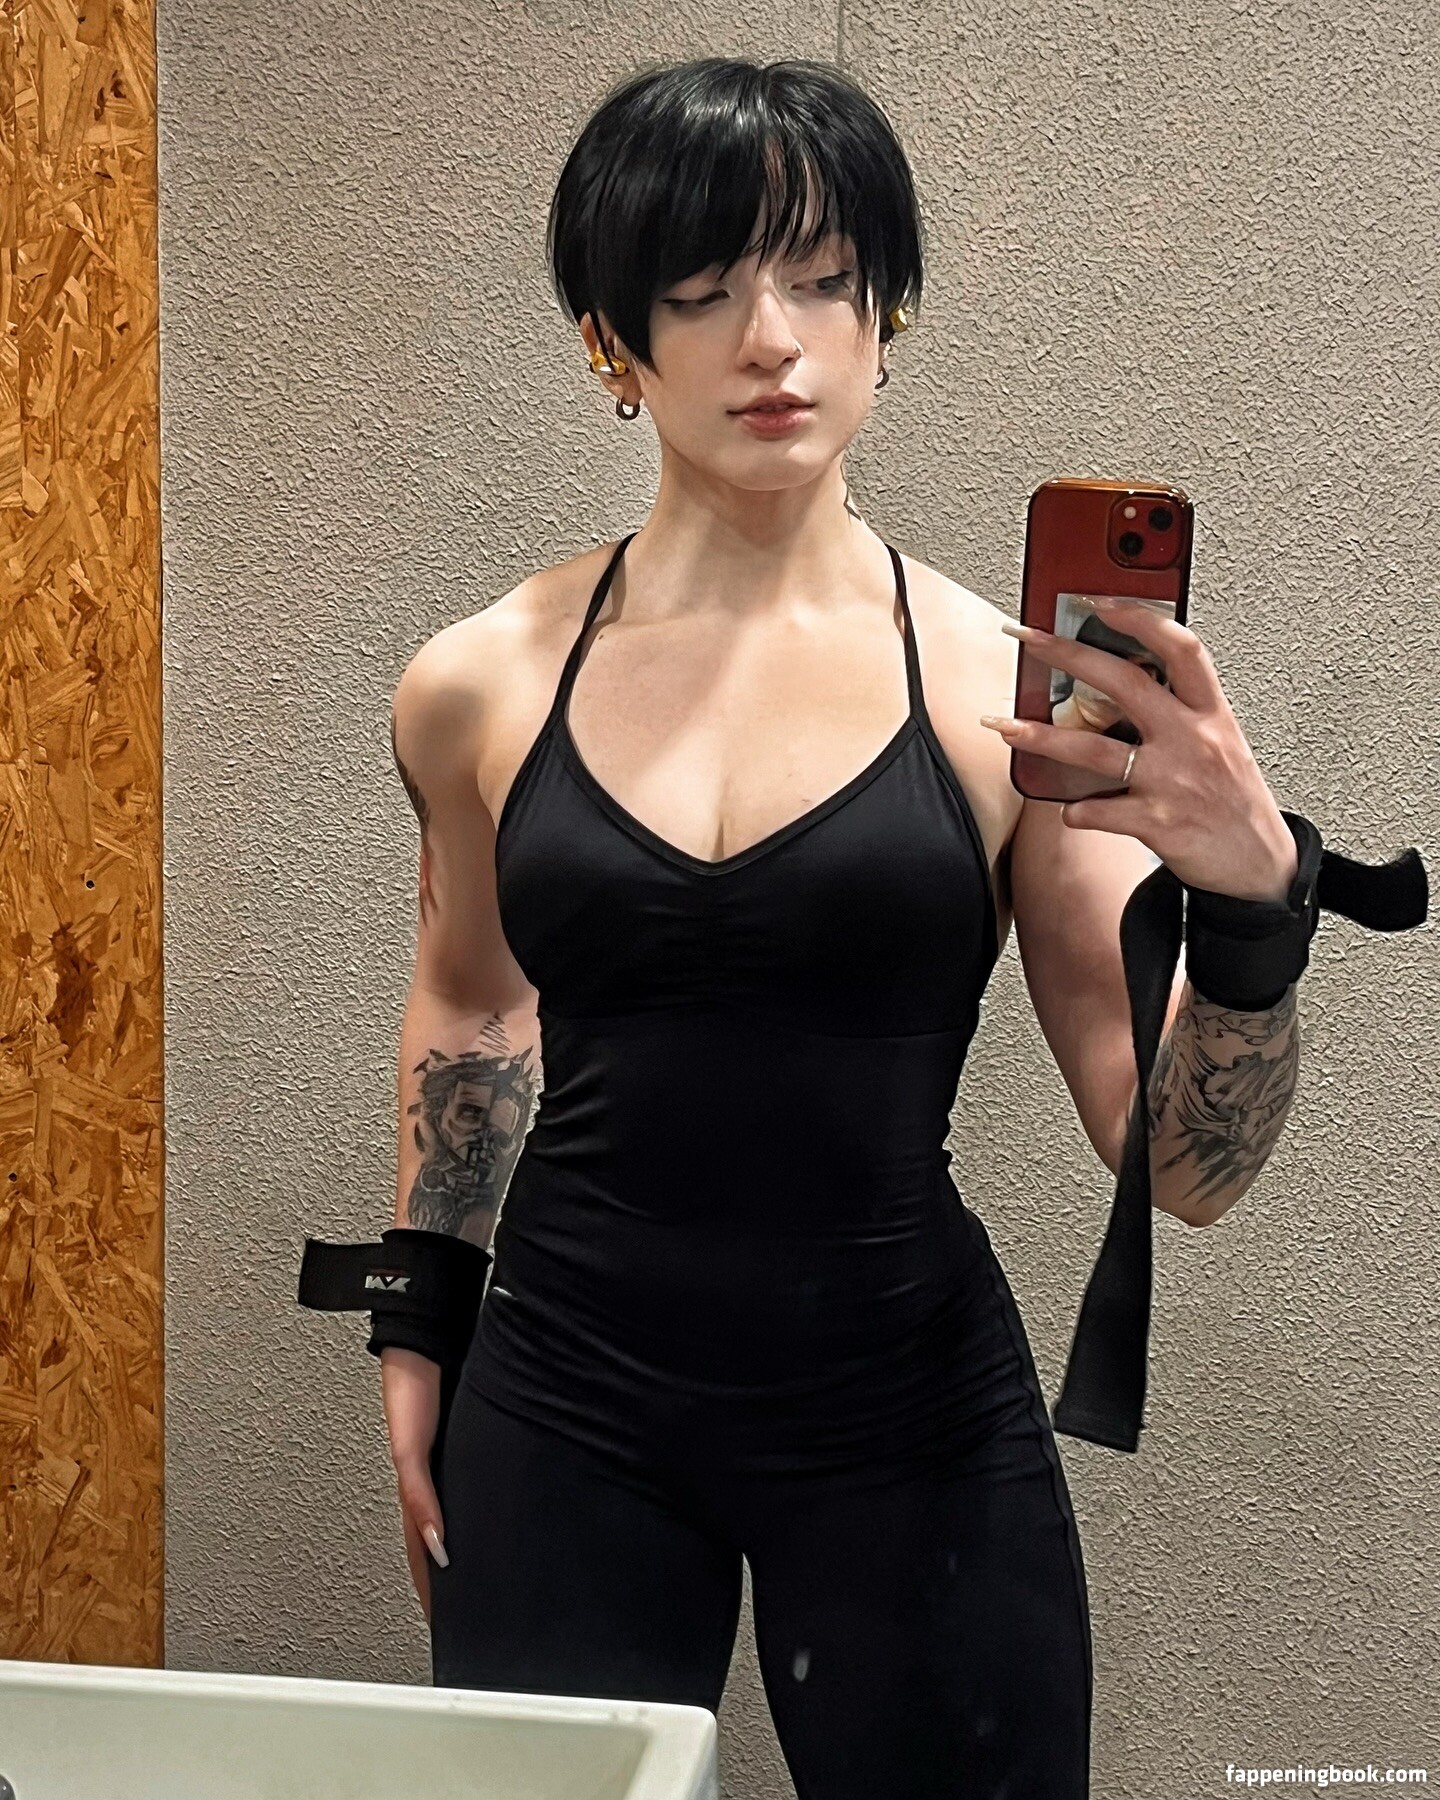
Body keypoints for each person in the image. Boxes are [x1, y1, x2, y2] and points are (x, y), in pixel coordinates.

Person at [381, 55, 1139, 1800]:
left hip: (905, 1408)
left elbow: (1174, 1157)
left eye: (820, 280)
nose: (771, 341)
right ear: (611, 343)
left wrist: (1248, 909)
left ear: (887, 318)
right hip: (565, 1394)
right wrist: (422, 1316)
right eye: (703, 291)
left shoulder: (1011, 698)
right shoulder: (479, 683)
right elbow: (470, 1001)